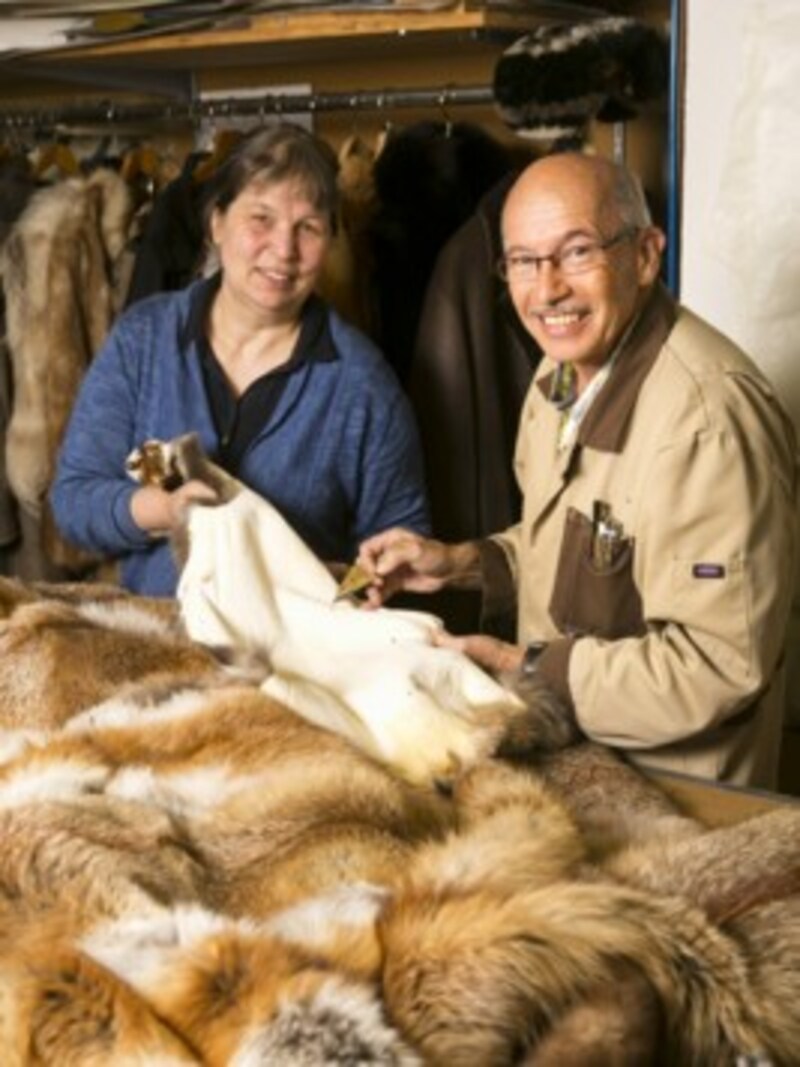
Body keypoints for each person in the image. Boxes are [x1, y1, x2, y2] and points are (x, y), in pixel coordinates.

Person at [357, 151, 798, 789]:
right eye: (524, 262)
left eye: (577, 252)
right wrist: (457, 562)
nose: (548, 288)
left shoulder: (707, 424)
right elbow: (585, 545)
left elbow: (717, 666)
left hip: (680, 803)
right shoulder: (558, 375)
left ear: (646, 256)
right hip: (583, 770)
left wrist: (522, 665)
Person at [51, 124, 429, 596]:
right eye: (261, 219)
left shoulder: (365, 386)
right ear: (216, 223)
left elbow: (400, 541)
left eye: (308, 227)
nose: (284, 249)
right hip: (155, 648)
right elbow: (73, 501)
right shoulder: (142, 339)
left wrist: (359, 586)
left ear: (331, 240)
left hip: (293, 662)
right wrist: (163, 511)